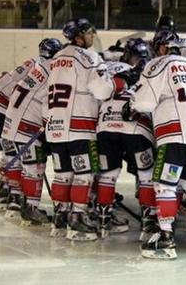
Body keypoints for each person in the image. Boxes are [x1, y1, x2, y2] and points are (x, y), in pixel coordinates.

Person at [126, 30, 186, 259]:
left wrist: (132, 105)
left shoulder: (158, 64)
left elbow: (144, 102)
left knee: (165, 184)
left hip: (174, 133)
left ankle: (166, 237)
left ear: (160, 48)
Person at [46, 18, 137, 241]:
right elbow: (102, 91)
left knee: (63, 173)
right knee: (83, 174)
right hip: (80, 125)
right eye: (88, 33)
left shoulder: (56, 58)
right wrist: (121, 82)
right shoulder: (89, 57)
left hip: (55, 125)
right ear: (78, 36)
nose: (92, 36)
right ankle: (77, 219)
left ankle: (61, 218)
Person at [95, 38, 155, 240]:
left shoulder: (107, 67)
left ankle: (104, 218)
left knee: (107, 175)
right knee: (146, 174)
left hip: (105, 125)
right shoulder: (149, 72)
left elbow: (95, 94)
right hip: (136, 128)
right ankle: (148, 221)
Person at [1, 38, 62, 225]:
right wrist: (48, 123)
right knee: (34, 168)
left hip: (13, 123)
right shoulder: (55, 68)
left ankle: (21, 202)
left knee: (28, 167)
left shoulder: (38, 66)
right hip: (27, 126)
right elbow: (48, 101)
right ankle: (30, 209)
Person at [0, 54, 38, 213]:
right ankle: (13, 193)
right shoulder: (36, 70)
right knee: (13, 152)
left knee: (8, 151)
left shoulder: (19, 71)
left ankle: (4, 189)